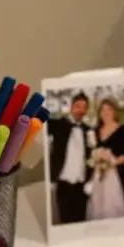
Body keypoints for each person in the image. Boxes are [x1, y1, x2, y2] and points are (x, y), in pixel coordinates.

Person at [47, 92, 93, 224]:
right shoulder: (58, 124)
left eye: (84, 107)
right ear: (72, 107)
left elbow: (91, 155)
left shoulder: (89, 130)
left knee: (81, 220)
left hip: (82, 185)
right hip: (63, 183)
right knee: (65, 220)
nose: (81, 110)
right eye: (78, 106)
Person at [87, 97, 124, 220]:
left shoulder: (122, 129)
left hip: (117, 175)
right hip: (99, 178)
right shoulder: (95, 131)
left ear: (114, 111)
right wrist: (96, 159)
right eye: (102, 110)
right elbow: (92, 151)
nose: (105, 112)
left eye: (109, 109)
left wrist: (111, 163)